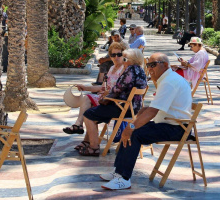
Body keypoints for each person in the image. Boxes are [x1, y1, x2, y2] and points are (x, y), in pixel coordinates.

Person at [99, 52, 193, 190]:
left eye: (153, 65)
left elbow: (152, 112)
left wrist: (131, 126)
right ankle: (118, 172)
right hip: (169, 123)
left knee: (133, 133)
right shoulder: (167, 79)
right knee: (132, 131)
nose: (149, 68)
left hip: (177, 128)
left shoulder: (169, 82)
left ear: (165, 65)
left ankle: (124, 179)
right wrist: (138, 118)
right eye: (148, 65)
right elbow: (156, 107)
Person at [80, 49, 147, 156]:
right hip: (134, 108)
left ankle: (93, 147)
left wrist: (105, 98)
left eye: (125, 59)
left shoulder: (130, 70)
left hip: (123, 107)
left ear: (132, 60)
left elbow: (117, 89)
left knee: (88, 114)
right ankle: (88, 142)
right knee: (95, 115)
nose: (124, 61)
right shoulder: (141, 70)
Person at [63, 42, 127, 140]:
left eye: (119, 54)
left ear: (124, 55)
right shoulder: (112, 68)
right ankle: (87, 140)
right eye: (113, 55)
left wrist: (107, 93)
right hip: (105, 99)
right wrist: (85, 87)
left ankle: (82, 131)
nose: (116, 57)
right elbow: (102, 87)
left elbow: (119, 89)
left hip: (114, 102)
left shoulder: (124, 69)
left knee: (88, 103)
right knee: (88, 106)